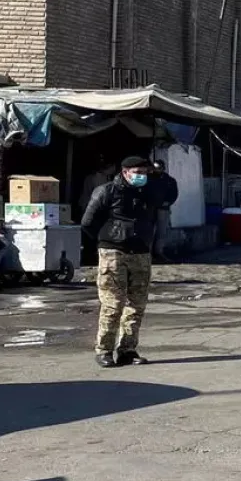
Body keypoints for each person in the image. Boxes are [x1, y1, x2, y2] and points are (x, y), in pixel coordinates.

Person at [82, 156, 176, 368]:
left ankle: (127, 349)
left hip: (141, 252)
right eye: (137, 172)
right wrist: (106, 241)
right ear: (125, 172)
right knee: (113, 304)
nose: (142, 176)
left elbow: (165, 200)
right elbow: (88, 222)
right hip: (113, 253)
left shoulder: (149, 191)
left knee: (137, 305)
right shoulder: (106, 191)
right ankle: (104, 349)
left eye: (145, 172)